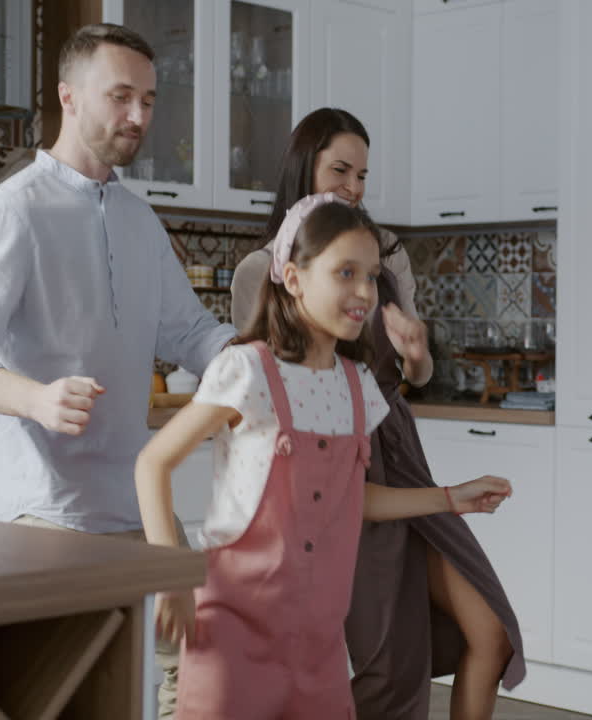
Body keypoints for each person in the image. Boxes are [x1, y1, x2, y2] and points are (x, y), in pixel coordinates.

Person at [0, 23, 235, 717]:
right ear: (68, 96)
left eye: (148, 100)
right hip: (50, 509)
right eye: (121, 96)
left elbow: (189, 332)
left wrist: (267, 360)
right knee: (69, 692)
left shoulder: (140, 220)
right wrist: (33, 398)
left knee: (202, 669)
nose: (139, 116)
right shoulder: (15, 210)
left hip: (140, 497)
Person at [136, 195, 512, 719]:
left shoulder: (357, 387)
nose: (364, 292)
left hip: (318, 649)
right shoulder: (247, 370)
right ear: (293, 278)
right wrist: (173, 582)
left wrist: (450, 498)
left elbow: (352, 498)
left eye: (372, 276)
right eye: (345, 272)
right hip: (234, 638)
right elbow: (153, 463)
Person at [232, 108, 526, 719]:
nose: (353, 188)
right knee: (380, 663)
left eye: (362, 175)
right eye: (339, 170)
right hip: (332, 462)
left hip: (400, 453)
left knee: (491, 633)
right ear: (304, 168)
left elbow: (415, 378)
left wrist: (417, 355)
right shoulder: (262, 269)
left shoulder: (385, 254)